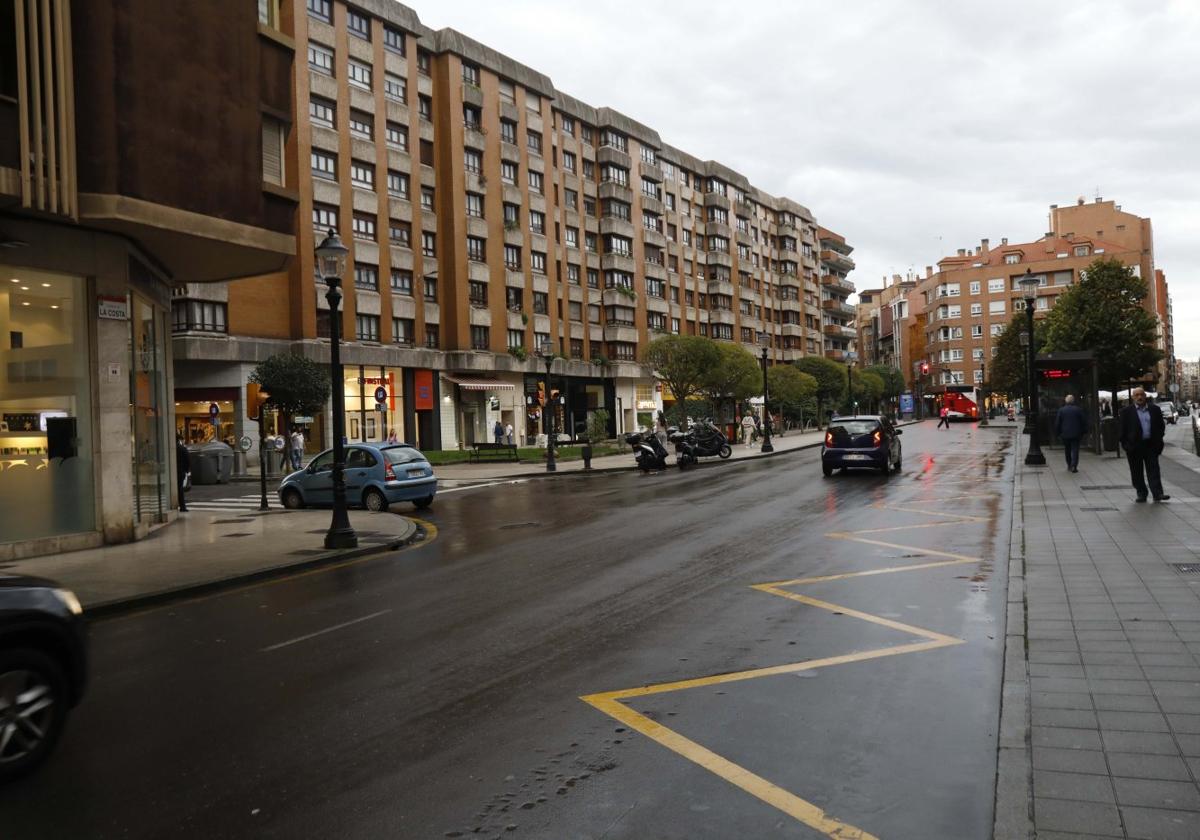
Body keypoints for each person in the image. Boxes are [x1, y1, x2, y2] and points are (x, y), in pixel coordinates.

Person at [1119, 387, 1169, 503]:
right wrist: (1126, 446)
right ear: (1133, 397)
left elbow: (1161, 426)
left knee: (1154, 470)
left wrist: (1158, 441)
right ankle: (1141, 493)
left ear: (1145, 396)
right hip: (1134, 447)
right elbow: (1122, 430)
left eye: (1141, 395)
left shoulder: (1154, 409)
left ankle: (1158, 493)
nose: (1139, 397)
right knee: (1136, 471)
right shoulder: (1126, 412)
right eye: (1136, 395)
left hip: (1151, 445)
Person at [1054, 395, 1088, 473]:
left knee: (1067, 450)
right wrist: (1084, 431)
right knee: (1075, 449)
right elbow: (1083, 421)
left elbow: (1057, 423)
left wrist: (1058, 433)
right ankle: (1074, 465)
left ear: (1066, 401)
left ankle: (1069, 465)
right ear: (1073, 401)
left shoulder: (1061, 410)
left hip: (1065, 434)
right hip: (1076, 433)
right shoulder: (1078, 410)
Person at [175, 437, 190, 513]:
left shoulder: (171, 449)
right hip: (181, 471)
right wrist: (187, 470)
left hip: (174, 471)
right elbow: (187, 459)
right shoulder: (182, 448)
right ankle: (182, 506)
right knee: (180, 489)